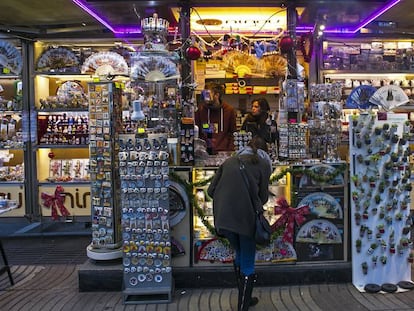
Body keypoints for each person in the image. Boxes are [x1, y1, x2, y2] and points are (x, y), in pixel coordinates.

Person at [207, 136, 272, 311]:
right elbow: (263, 197)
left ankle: (246, 297)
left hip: (224, 218)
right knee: (248, 260)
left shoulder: (229, 162)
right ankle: (243, 305)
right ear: (265, 150)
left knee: (239, 252)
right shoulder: (264, 164)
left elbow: (210, 190)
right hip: (246, 219)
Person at [194, 82, 237, 154]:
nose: (205, 97)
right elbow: (198, 132)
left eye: (208, 94)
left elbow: (233, 133)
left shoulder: (229, 110)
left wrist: (230, 151)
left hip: (224, 153)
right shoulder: (201, 111)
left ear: (217, 95)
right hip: (205, 152)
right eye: (204, 94)